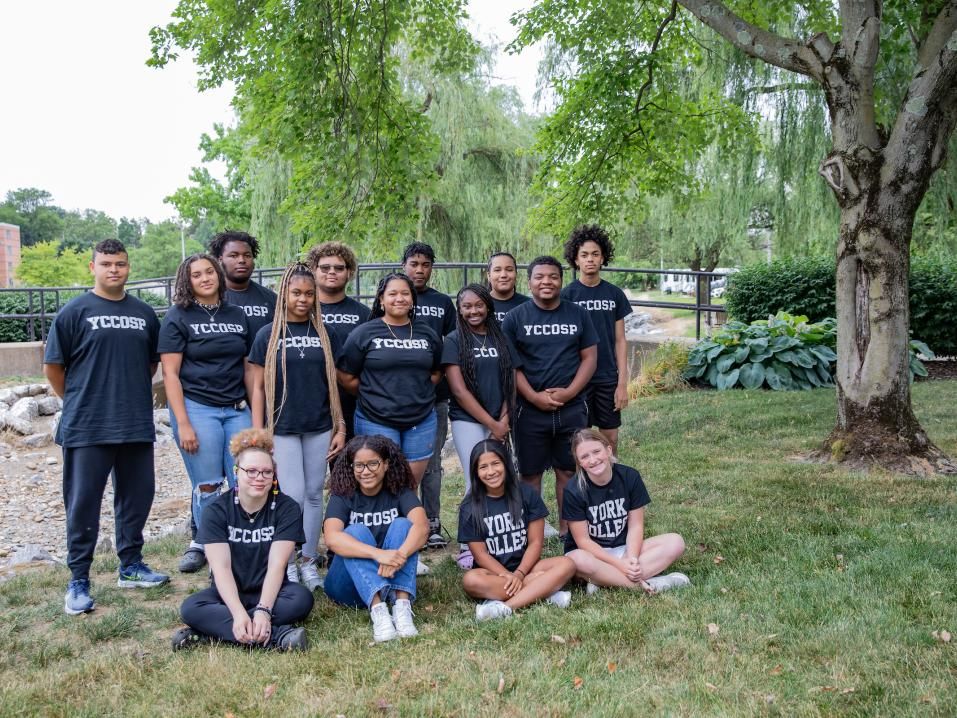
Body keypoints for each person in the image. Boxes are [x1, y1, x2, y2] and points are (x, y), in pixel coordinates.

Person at [44, 239, 168, 615]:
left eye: (121, 264)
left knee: (137, 497)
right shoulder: (73, 312)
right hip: (88, 426)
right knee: (83, 504)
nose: (114, 269)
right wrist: (84, 399)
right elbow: (54, 368)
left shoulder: (145, 313)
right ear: (92, 267)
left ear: (128, 267)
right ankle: (78, 579)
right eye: (107, 263)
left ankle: (130, 566)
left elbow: (151, 365)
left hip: (134, 423)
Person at [248, 263, 346, 591]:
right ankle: (286, 561)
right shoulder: (268, 335)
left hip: (318, 424)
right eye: (296, 293)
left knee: (315, 493)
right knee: (292, 496)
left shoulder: (324, 334)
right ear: (283, 294)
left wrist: (339, 426)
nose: (303, 299)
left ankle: (308, 559)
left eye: (309, 293)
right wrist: (260, 431)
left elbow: (333, 383)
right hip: (283, 426)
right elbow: (258, 386)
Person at [173, 429, 313, 651]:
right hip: (227, 594)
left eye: (266, 472)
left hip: (272, 592)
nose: (259, 478)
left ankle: (211, 634)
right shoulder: (216, 511)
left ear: (274, 475)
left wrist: (264, 611)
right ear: (236, 471)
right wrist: (238, 614)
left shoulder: (287, 509)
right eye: (252, 471)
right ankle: (278, 637)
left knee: (302, 599)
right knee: (191, 607)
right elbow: (221, 568)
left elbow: (277, 565)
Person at [159, 253, 253, 573]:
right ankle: (210, 549)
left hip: (238, 410)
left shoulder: (237, 315)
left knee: (246, 480)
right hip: (199, 409)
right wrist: (183, 422)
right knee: (209, 486)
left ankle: (242, 544)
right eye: (196, 274)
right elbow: (170, 374)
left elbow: (248, 367)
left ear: (219, 274)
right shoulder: (177, 317)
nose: (205, 278)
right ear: (187, 280)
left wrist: (257, 413)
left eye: (209, 271)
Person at [502, 256, 598, 537]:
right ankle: (532, 530)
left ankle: (570, 530)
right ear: (529, 281)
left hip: (571, 409)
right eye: (540, 277)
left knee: (568, 472)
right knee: (529, 474)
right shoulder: (515, 317)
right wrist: (532, 397)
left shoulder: (578, 314)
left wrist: (570, 392)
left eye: (553, 276)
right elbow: (512, 365)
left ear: (561, 280)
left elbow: (589, 358)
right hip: (529, 410)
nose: (546, 282)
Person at [442, 283, 521, 568]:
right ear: (459, 310)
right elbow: (459, 391)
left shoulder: (501, 338)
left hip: (501, 417)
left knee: (505, 475)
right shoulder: (453, 341)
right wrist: (492, 424)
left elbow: (510, 382)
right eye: (467, 306)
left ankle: (507, 534)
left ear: (488, 306)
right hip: (468, 421)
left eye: (478, 305)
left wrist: (504, 419)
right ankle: (468, 545)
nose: (473, 311)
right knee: (475, 479)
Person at [337, 273, 442, 484]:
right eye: (392, 294)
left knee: (410, 484)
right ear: (381, 300)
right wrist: (374, 392)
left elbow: (437, 371)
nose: (399, 298)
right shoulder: (364, 333)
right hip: (375, 419)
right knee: (382, 484)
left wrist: (413, 390)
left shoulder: (427, 333)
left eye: (405, 293)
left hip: (420, 421)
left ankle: (409, 518)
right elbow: (345, 376)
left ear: (413, 299)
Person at [323, 435, 430, 642]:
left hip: (388, 576)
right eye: (359, 465)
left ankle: (402, 608)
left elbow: (422, 527)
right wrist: (379, 555)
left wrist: (398, 556)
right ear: (351, 467)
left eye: (373, 463)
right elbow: (332, 538)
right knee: (355, 532)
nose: (366, 471)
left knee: (404, 525)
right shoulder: (343, 494)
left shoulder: (398, 490)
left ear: (386, 464)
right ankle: (378, 611)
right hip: (347, 585)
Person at [458, 440, 576, 621]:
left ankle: (504, 607)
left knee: (567, 564)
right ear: (475, 472)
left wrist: (520, 574)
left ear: (506, 464)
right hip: (493, 573)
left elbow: (536, 542)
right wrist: (506, 575)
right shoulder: (469, 506)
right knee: (471, 580)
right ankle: (544, 592)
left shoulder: (527, 493)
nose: (491, 472)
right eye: (483, 467)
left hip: (528, 566)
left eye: (496, 463)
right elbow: (480, 555)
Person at [562, 429, 689, 595]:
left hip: (624, 548)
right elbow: (583, 541)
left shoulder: (630, 477)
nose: (592, 460)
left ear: (608, 450)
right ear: (579, 462)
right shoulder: (574, 490)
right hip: (592, 555)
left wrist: (631, 559)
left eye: (596, 451)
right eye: (584, 457)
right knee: (576, 560)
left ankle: (604, 580)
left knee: (675, 542)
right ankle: (652, 583)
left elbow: (636, 526)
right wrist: (619, 565)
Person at [401, 242, 456, 549]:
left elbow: (449, 346)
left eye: (425, 264)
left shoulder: (442, 303)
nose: (419, 269)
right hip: (397, 399)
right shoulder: (393, 296)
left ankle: (432, 522)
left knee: (431, 462)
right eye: (413, 263)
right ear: (404, 265)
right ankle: (403, 520)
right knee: (399, 463)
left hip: (434, 399)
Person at [561, 226, 632, 453]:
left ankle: (611, 483)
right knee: (581, 438)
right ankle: (583, 487)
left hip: (607, 377)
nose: (590, 259)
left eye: (595, 254)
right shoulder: (567, 296)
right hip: (577, 377)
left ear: (603, 258)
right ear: (576, 259)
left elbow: (620, 340)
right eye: (584, 255)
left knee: (610, 438)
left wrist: (622, 384)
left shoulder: (614, 295)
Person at [306, 241, 371, 441]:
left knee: (349, 467)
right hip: (311, 400)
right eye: (325, 268)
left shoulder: (365, 314)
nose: (331, 272)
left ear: (349, 272)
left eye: (339, 268)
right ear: (313, 271)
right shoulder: (301, 312)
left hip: (351, 402)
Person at [209, 230, 277, 336]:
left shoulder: (272, 299)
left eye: (247, 255)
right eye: (234, 255)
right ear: (220, 260)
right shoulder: (208, 298)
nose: (241, 260)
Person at [486, 251, 529, 323]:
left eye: (509, 270)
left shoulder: (528, 305)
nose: (503, 275)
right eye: (497, 270)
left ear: (516, 274)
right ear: (489, 276)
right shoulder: (479, 305)